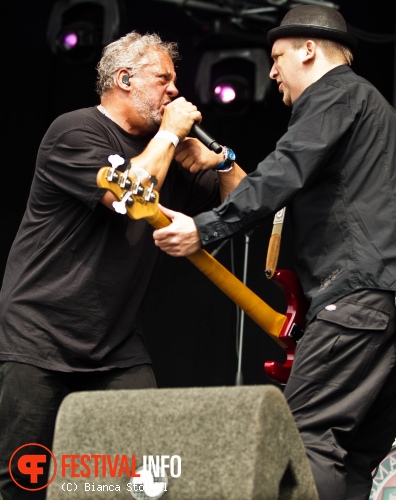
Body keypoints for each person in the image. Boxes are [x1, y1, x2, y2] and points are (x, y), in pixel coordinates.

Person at [153, 5, 396, 499]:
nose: (270, 71)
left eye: (277, 56)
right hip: (381, 306)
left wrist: (205, 228)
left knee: (303, 440)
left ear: (308, 50)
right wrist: (223, 166)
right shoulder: (372, 110)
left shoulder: (335, 92)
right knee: (355, 458)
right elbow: (287, 196)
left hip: (351, 300)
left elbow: (284, 171)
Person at [0, 31, 245, 499]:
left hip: (114, 344)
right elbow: (128, 196)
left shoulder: (166, 151)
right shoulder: (74, 131)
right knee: (21, 480)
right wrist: (171, 134)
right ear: (125, 79)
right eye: (163, 80)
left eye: (175, 83)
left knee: (146, 479)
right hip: (39, 334)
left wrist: (221, 161)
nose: (175, 91)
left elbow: (244, 210)